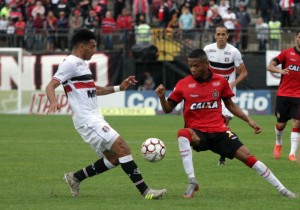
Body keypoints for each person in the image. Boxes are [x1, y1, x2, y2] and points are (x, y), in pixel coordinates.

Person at [155, 48, 298, 199]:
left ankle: (282, 190)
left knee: (248, 157)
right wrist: (162, 98)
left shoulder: (220, 81)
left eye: (196, 66)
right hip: (198, 133)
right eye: (190, 66)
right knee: (183, 134)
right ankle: (192, 180)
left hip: (220, 132)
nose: (192, 69)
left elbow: (230, 105)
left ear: (206, 64)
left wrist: (249, 120)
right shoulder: (183, 84)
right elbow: (168, 109)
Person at [45, 28, 167, 199]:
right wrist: (53, 102)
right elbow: (50, 86)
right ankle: (146, 192)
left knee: (115, 158)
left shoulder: (81, 64)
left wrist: (120, 87)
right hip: (87, 120)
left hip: (94, 118)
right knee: (123, 147)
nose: (94, 50)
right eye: (92, 46)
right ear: (82, 46)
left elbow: (94, 90)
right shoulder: (70, 63)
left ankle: (75, 177)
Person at [204, 25, 248, 165]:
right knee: (215, 122)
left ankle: (223, 155)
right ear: (215, 35)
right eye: (219, 34)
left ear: (228, 36)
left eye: (224, 34)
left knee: (225, 120)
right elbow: (203, 69)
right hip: (212, 90)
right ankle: (223, 145)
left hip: (227, 91)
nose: (221, 37)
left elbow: (244, 72)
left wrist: (233, 83)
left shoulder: (234, 52)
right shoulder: (208, 50)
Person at [267, 30, 300, 161]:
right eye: (299, 37)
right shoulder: (287, 53)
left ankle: (292, 154)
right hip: (283, 94)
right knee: (281, 124)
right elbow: (270, 66)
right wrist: (280, 70)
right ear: (296, 38)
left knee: (297, 123)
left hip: (298, 96)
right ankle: (278, 143)